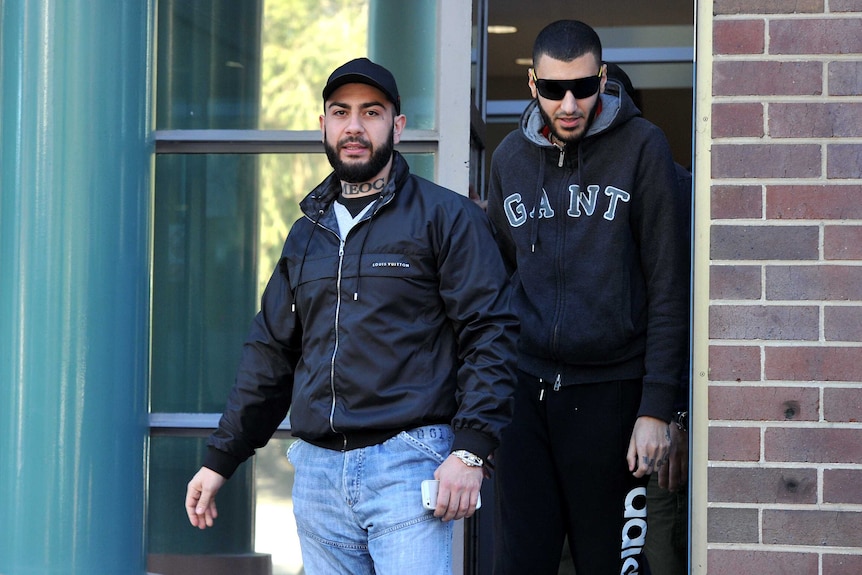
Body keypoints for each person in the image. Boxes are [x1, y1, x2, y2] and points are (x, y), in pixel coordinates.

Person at [184, 57, 519, 575]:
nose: (355, 127)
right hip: (318, 475)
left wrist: (470, 450)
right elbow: (271, 353)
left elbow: (490, 333)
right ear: (323, 125)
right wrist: (220, 458)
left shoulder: (446, 217)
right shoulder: (307, 235)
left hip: (407, 464)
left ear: (398, 126)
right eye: (341, 113)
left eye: (372, 112)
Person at [486, 20, 689, 574]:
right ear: (533, 84)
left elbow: (669, 286)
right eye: (553, 90)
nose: (569, 103)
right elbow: (498, 286)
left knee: (613, 565)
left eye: (582, 86)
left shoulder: (643, 148)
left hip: (613, 395)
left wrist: (656, 407)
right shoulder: (508, 159)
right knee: (520, 563)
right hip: (527, 397)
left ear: (602, 78)